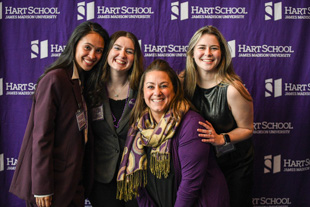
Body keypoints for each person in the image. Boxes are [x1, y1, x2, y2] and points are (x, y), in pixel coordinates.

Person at [9, 21, 109, 207]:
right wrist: (42, 188)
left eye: (99, 51)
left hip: (72, 184)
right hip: (51, 188)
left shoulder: (81, 82)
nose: (92, 55)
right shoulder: (55, 79)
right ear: (74, 44)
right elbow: (41, 137)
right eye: (87, 47)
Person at [116, 59, 230, 207]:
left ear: (174, 90)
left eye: (163, 86)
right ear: (143, 93)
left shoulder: (191, 124)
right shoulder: (138, 127)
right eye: (150, 87)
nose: (157, 92)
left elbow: (191, 184)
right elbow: (138, 182)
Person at [182, 25, 254, 207]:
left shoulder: (233, 89)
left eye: (214, 48)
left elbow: (247, 128)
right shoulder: (182, 83)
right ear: (192, 53)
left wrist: (222, 138)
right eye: (202, 47)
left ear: (222, 53)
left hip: (234, 167)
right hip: (200, 167)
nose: (208, 53)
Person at [86, 31, 144, 207]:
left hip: (136, 177)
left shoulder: (143, 88)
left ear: (135, 57)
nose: (122, 55)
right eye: (117, 48)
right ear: (108, 52)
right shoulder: (91, 88)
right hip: (102, 178)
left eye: (129, 51)